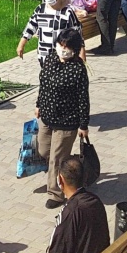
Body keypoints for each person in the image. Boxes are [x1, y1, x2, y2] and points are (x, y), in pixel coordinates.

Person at [34, 30, 90, 209]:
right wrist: (38, 104)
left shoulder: (78, 69)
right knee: (43, 150)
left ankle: (56, 194)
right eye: (60, 45)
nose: (62, 49)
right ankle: (69, 169)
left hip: (67, 121)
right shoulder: (50, 59)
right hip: (47, 116)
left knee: (56, 159)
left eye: (67, 47)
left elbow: (83, 98)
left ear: (74, 49)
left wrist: (83, 124)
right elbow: (43, 84)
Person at [17, 0, 82, 63]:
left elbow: (77, 34)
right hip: (44, 55)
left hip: (63, 56)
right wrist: (21, 44)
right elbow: (30, 27)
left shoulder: (67, 12)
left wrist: (81, 55)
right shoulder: (40, 9)